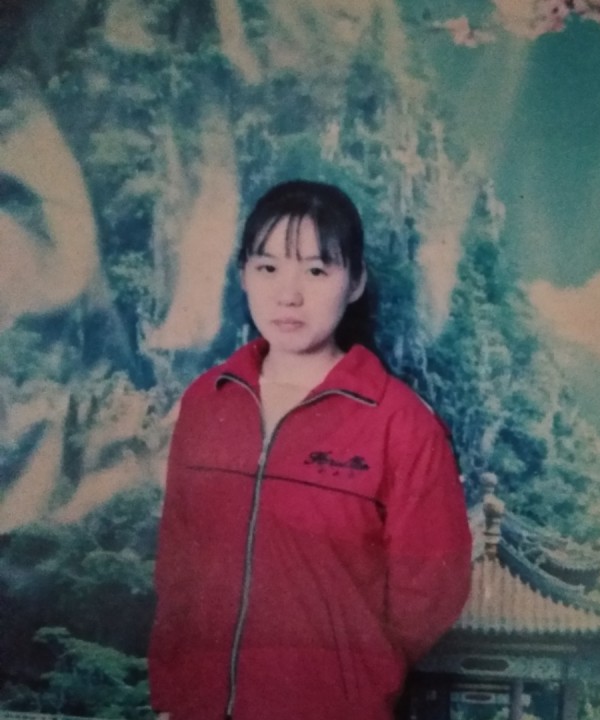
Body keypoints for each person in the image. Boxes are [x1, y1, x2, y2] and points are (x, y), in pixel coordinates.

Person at [148, 180, 472, 720]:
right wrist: (171, 694)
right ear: (243, 274)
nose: (288, 294)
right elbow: (177, 566)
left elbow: (431, 589)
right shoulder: (207, 401)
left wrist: (354, 673)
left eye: (317, 271)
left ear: (356, 282)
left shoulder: (401, 424)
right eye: (268, 267)